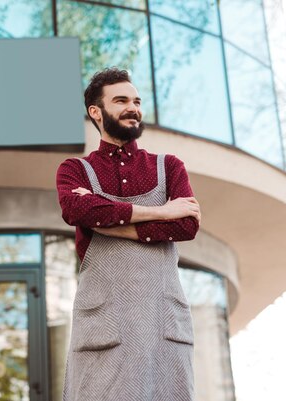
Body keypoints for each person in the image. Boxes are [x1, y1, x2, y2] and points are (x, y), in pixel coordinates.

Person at [57, 67, 200, 401]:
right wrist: (162, 211)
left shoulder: (169, 166)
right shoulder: (74, 169)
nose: (133, 108)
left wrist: (110, 221)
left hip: (162, 327)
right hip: (105, 331)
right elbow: (78, 212)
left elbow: (187, 225)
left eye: (136, 101)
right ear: (96, 111)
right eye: (121, 100)